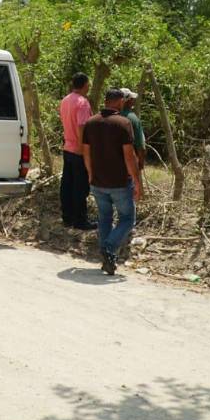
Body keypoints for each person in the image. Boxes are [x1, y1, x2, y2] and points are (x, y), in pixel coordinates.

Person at [82, 88, 140, 276]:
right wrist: (137, 182)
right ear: (120, 101)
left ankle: (107, 257)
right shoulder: (123, 123)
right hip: (119, 182)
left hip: (97, 181)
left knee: (104, 217)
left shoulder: (91, 123)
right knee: (127, 219)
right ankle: (109, 248)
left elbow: (86, 152)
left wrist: (90, 174)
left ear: (106, 101)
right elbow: (129, 156)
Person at [59, 73, 95, 230]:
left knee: (67, 184)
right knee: (80, 187)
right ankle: (80, 220)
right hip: (78, 150)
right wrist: (83, 149)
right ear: (85, 85)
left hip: (67, 147)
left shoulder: (65, 100)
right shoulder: (82, 103)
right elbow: (82, 126)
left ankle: (67, 217)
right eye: (88, 84)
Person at [119, 88, 147, 198]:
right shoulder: (133, 118)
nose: (133, 101)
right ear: (127, 101)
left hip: (113, 161)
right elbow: (140, 144)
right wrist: (141, 162)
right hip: (130, 160)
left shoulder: (112, 115)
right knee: (132, 193)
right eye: (131, 99)